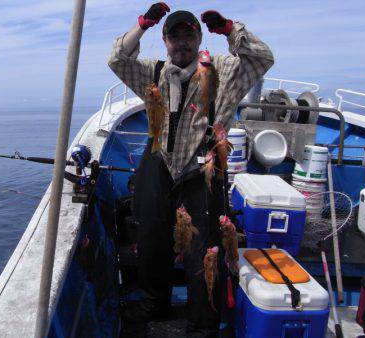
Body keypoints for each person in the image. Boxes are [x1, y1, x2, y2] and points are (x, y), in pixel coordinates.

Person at [108, 3, 274, 337]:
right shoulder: (153, 73)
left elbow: (262, 58)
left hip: (204, 169)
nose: (182, 43)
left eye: (189, 35)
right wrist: (143, 24)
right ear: (165, 41)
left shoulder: (223, 69)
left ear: (198, 37)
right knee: (151, 238)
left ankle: (202, 323)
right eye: (174, 36)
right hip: (159, 164)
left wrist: (229, 29)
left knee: (204, 252)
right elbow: (117, 59)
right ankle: (154, 302)